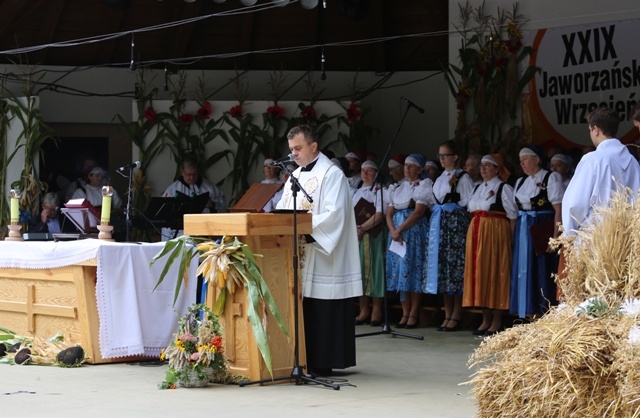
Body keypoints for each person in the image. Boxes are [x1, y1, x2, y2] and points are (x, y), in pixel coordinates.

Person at [276, 125, 362, 376]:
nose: (294, 155)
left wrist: (304, 229)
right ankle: (305, 358)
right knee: (307, 305)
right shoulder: (297, 176)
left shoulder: (332, 174)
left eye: (298, 149)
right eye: (291, 150)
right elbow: (283, 207)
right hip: (303, 251)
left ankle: (325, 359)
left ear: (314, 146)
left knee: (324, 305)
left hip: (324, 252)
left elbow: (335, 215)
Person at [562, 106, 640, 236]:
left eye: (590, 130)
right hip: (628, 238)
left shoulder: (592, 160)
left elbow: (574, 205)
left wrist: (568, 236)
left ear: (595, 129)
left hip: (597, 241)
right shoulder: (632, 161)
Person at [462, 154, 517, 336]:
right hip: (477, 232)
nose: (483, 169)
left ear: (497, 169)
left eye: (488, 166)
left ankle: (497, 319)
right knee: (480, 273)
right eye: (482, 166)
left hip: (495, 233)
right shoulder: (477, 188)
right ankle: (485, 317)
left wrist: (509, 239)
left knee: (495, 272)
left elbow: (512, 217)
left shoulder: (504, 188)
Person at [509, 145, 564, 319]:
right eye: (520, 160)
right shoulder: (520, 182)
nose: (522, 163)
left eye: (525, 159)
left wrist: (555, 237)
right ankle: (526, 311)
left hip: (540, 228)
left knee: (541, 269)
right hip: (524, 229)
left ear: (537, 160)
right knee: (524, 269)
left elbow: (558, 209)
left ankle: (543, 312)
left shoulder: (551, 178)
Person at [425, 140, 473, 332]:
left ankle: (457, 314)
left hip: (455, 228)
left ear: (455, 157)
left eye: (445, 155)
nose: (442, 159)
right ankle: (447, 313)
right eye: (440, 156)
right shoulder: (439, 178)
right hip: (440, 227)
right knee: (444, 271)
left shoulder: (463, 177)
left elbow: (468, 204)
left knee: (455, 270)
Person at [385, 154, 433, 329]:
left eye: (412, 166)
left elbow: (418, 212)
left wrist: (399, 229)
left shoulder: (423, 186)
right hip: (397, 234)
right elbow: (389, 213)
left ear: (419, 169)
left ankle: (413, 312)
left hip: (413, 232)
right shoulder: (399, 187)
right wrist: (392, 230)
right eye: (405, 165)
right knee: (400, 272)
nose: (407, 169)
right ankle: (405, 311)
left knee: (413, 270)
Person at [352, 161, 386, 326]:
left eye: (369, 171)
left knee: (375, 271)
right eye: (363, 171)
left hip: (374, 236)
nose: (365, 174)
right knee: (360, 272)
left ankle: (377, 310)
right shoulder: (357, 192)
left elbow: (379, 215)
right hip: (359, 237)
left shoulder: (379, 191)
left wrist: (362, 228)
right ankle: (364, 309)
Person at [162, 159, 227, 214]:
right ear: (182, 172)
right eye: (189, 174)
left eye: (194, 174)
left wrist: (213, 204)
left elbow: (223, 207)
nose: (192, 177)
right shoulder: (172, 191)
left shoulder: (211, 188)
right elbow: (165, 212)